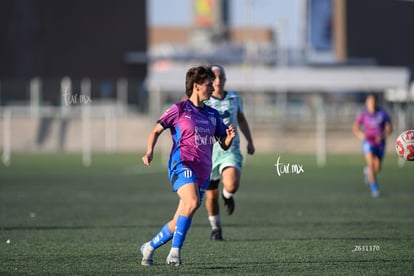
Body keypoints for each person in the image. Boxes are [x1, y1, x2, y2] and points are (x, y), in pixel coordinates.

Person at [140, 65, 236, 266]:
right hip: (181, 164)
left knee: (179, 220)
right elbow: (156, 130)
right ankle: (174, 253)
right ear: (196, 86)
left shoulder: (213, 114)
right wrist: (150, 151)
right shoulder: (179, 109)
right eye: (209, 84)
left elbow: (223, 145)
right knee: (192, 202)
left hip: (203, 173)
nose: (213, 88)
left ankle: (149, 247)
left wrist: (228, 138)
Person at [204, 65, 255, 241]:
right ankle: (216, 228)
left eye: (221, 77)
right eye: (214, 77)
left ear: (225, 79)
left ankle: (228, 195)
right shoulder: (203, 99)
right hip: (208, 152)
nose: (218, 81)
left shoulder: (234, 98)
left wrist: (250, 141)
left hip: (230, 149)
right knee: (211, 196)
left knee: (232, 184)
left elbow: (241, 119)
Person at [352, 93, 392, 197]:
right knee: (371, 165)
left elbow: (389, 129)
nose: (371, 104)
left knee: (377, 167)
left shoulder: (383, 114)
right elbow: (355, 128)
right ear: (366, 103)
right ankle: (375, 189)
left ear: (376, 102)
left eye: (373, 102)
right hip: (368, 142)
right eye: (369, 102)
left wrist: (382, 136)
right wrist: (360, 135)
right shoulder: (363, 114)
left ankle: (368, 171)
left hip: (380, 143)